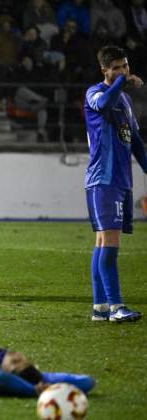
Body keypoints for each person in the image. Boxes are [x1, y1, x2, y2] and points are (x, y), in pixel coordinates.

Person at [84, 45, 147, 322]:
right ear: (105, 70)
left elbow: (136, 142)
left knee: (102, 243)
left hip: (121, 180)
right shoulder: (94, 93)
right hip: (103, 179)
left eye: (126, 66)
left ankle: (100, 309)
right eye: (117, 67)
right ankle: (116, 307)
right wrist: (123, 82)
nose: (123, 71)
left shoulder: (126, 102)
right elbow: (103, 104)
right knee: (110, 242)